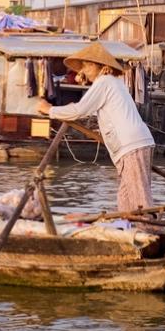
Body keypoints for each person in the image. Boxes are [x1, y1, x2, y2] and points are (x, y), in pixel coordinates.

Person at [37, 42, 155, 212]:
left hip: (131, 145)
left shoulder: (105, 82)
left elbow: (79, 110)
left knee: (138, 199)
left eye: (86, 65)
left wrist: (49, 109)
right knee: (125, 198)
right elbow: (93, 111)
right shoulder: (113, 83)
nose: (83, 71)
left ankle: (149, 232)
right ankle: (129, 229)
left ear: (99, 66)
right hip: (134, 144)